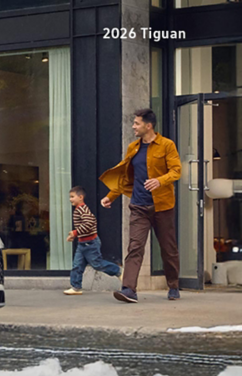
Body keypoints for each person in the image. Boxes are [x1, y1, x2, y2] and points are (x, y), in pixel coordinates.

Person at [99, 108, 181, 303]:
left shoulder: (167, 145)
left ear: (148, 125)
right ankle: (128, 289)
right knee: (135, 247)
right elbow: (126, 176)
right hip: (138, 206)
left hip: (162, 206)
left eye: (137, 123)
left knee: (168, 249)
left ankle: (173, 285)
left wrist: (160, 181)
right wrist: (112, 195)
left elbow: (176, 170)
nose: (133, 127)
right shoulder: (133, 148)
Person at [64, 186, 121, 295]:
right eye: (70, 197)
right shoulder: (80, 209)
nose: (70, 199)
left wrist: (75, 232)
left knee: (97, 264)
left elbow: (90, 223)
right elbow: (88, 224)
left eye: (72, 197)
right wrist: (75, 235)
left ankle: (117, 271)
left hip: (89, 243)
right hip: (83, 243)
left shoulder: (81, 209)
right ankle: (76, 287)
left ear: (80, 197)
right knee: (77, 265)